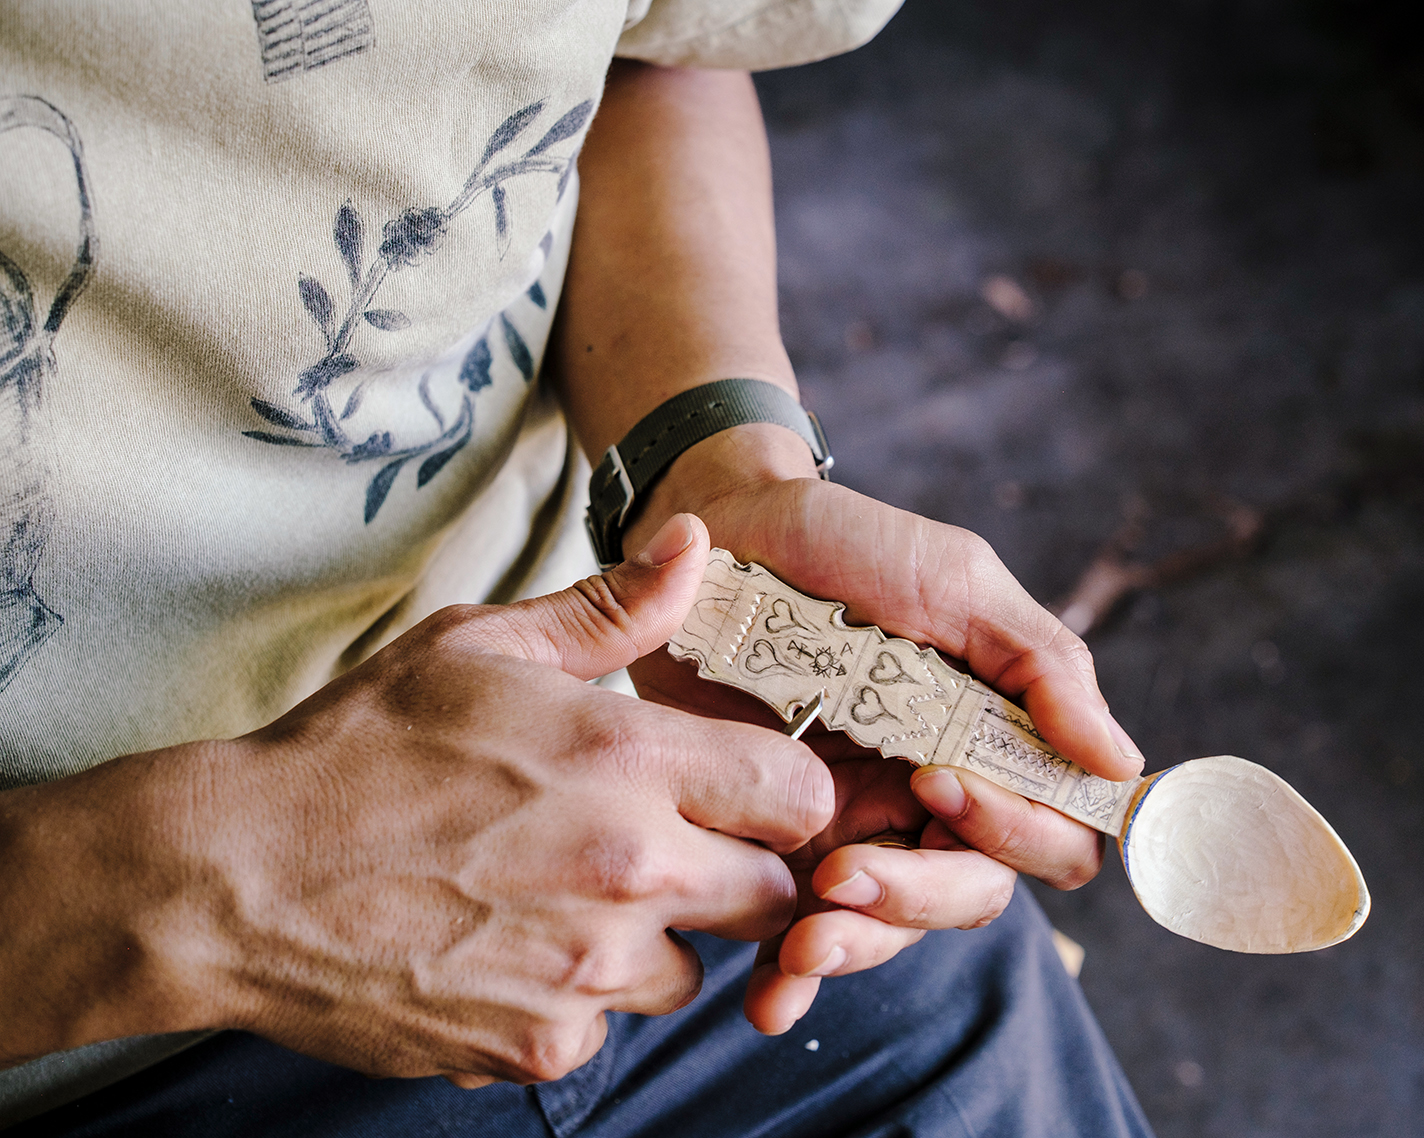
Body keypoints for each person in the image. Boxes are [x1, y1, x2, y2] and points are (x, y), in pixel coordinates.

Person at [0, 2, 1155, 1134]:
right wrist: (194, 884)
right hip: (84, 1042)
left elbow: (638, 58)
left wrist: (709, 479)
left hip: (629, 787)